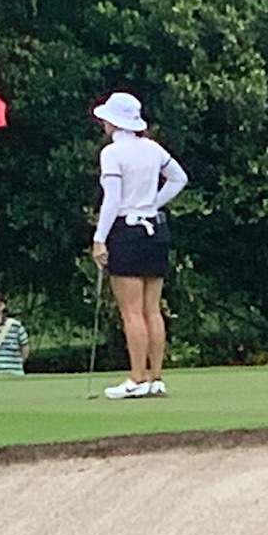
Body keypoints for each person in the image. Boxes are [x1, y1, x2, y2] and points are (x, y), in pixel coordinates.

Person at [90, 92, 188, 400]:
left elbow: (112, 199)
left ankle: (137, 378)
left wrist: (99, 237)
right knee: (152, 310)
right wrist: (152, 204)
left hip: (127, 231)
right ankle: (155, 378)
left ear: (114, 122)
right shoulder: (152, 148)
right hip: (155, 230)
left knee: (132, 312)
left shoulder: (112, 153)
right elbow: (179, 178)